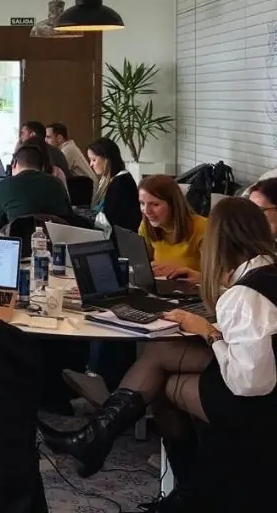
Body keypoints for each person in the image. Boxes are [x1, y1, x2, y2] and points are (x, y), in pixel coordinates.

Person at [41, 198, 277, 506]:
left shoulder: (245, 295)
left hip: (257, 401)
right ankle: (96, 439)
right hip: (263, 375)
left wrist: (207, 332)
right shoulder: (266, 270)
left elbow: (249, 382)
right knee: (163, 352)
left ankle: (187, 491)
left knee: (163, 389)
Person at [139, 174, 207, 278]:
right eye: (142, 203)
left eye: (155, 204)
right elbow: (140, 263)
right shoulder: (146, 226)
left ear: (173, 204)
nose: (147, 211)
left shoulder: (203, 228)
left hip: (195, 290)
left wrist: (189, 275)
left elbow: (222, 279)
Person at [0, 141, 72, 224]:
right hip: (54, 235)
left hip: (18, 235)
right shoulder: (57, 183)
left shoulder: (3, 185)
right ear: (42, 166)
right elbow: (68, 215)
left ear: (14, 163)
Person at [87, 138, 141, 232]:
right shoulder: (111, 181)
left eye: (93, 160)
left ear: (106, 159)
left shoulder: (121, 183)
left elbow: (111, 221)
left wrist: (85, 216)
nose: (91, 164)